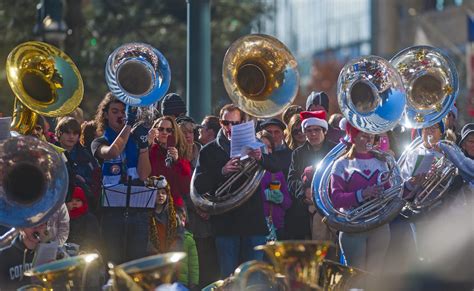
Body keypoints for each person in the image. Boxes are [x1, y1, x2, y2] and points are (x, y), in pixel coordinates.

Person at [193, 104, 279, 277]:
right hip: (225, 225)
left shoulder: (255, 145)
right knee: (229, 278)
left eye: (235, 123)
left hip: (252, 223)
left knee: (254, 280)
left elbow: (276, 166)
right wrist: (222, 171)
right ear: (220, 122)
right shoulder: (209, 151)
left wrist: (261, 157)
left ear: (242, 123)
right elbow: (199, 186)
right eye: (226, 123)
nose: (230, 128)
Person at [91, 92, 151, 264]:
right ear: (105, 114)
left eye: (124, 112)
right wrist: (129, 125)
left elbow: (144, 174)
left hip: (138, 213)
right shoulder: (99, 141)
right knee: (113, 264)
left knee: (136, 266)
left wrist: (144, 145)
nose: (120, 115)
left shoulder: (136, 140)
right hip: (112, 215)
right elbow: (112, 152)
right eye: (115, 111)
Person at [330, 121, 395, 273]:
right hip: (353, 227)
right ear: (353, 136)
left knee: (375, 278)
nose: (369, 139)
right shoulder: (341, 164)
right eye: (364, 135)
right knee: (356, 278)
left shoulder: (381, 161)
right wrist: (362, 194)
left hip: (379, 225)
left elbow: (390, 191)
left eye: (371, 136)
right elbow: (336, 198)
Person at [287, 110, 336, 240]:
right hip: (304, 212)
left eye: (317, 130)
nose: (313, 134)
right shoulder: (297, 154)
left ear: (324, 131)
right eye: (309, 130)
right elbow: (291, 181)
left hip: (332, 209)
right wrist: (304, 191)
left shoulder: (335, 151)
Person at [56, 117, 101, 210]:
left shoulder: (86, 155)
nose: (71, 136)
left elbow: (95, 179)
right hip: (57, 202)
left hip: (82, 204)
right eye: (67, 133)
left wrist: (84, 180)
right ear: (59, 133)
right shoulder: (51, 152)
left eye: (75, 133)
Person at [149, 116, 192, 208]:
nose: (164, 132)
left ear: (174, 132)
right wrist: (147, 145)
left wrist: (177, 161)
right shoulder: (150, 150)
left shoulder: (180, 152)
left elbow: (186, 187)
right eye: (161, 129)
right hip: (152, 204)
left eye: (169, 130)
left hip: (174, 206)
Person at [257, 130, 292, 240]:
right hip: (255, 227)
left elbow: (288, 203)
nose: (266, 150)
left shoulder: (277, 171)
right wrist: (264, 195)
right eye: (262, 146)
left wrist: (280, 198)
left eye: (269, 147)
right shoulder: (249, 171)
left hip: (276, 226)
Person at [0, 223, 49, 289]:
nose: (37, 227)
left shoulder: (50, 253)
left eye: (41, 224)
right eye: (32, 224)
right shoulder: (3, 256)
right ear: (21, 229)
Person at [148, 175, 183, 254]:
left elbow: (179, 237)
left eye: (163, 193)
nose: (160, 195)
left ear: (168, 196)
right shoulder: (147, 217)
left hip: (170, 257)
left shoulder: (174, 217)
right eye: (157, 193)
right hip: (152, 257)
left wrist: (172, 252)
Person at [66, 186, 101, 253]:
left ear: (83, 202)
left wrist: (82, 249)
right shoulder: (62, 218)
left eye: (78, 200)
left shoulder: (89, 218)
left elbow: (92, 238)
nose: (74, 203)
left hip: (84, 253)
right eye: (71, 200)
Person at [176, 208, 199, 291]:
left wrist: (194, 282)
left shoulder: (188, 239)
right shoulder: (166, 237)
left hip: (183, 282)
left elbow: (194, 263)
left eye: (179, 219)